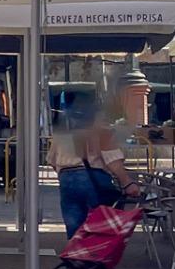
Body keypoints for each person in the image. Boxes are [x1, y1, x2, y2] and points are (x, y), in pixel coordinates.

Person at [49, 102, 142, 238]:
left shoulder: (61, 135)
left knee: (74, 226)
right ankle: (95, 249)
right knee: (99, 224)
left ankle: (77, 248)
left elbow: (52, 160)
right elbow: (112, 161)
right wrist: (127, 183)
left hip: (67, 179)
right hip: (94, 178)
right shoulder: (101, 133)